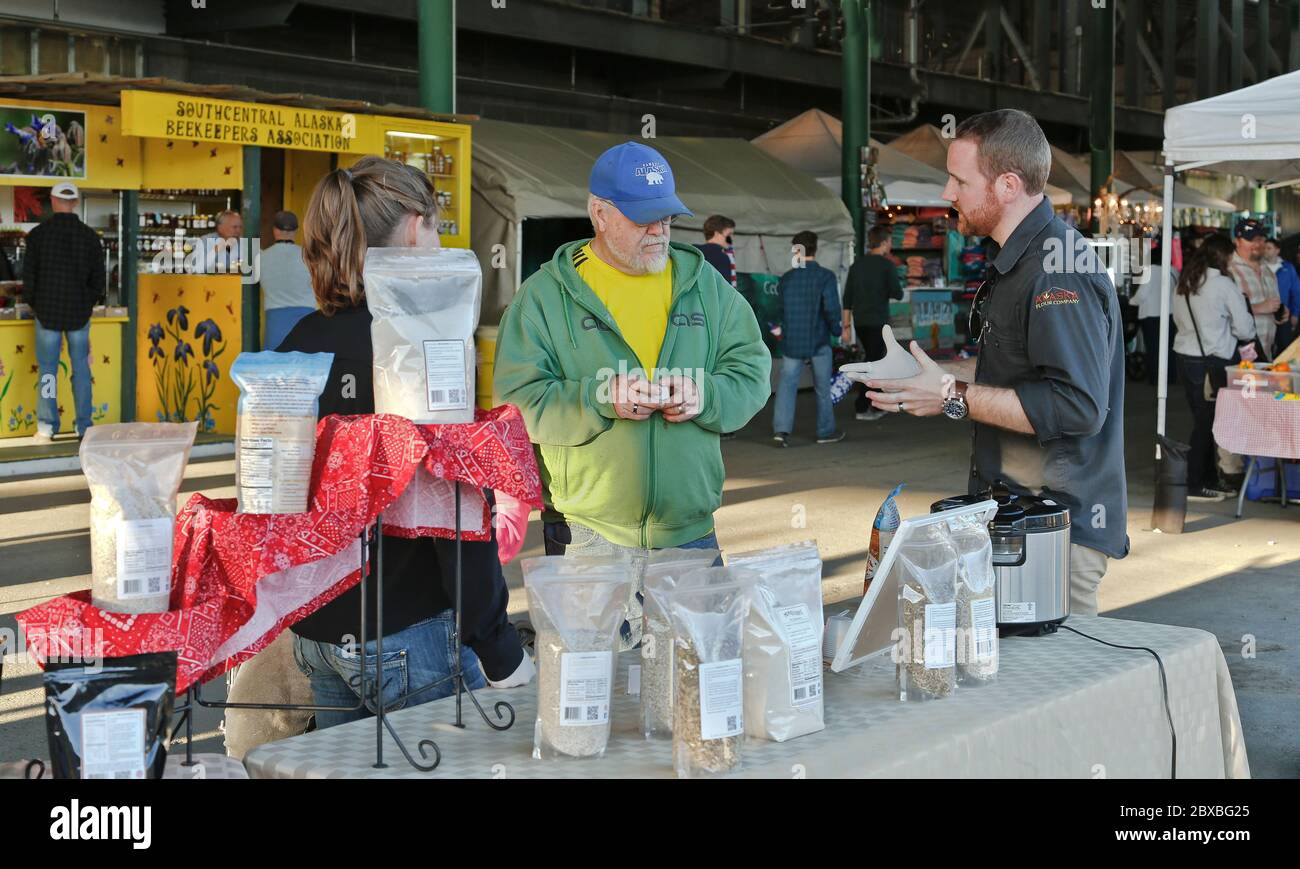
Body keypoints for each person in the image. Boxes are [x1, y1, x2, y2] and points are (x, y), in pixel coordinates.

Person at [277, 157, 532, 730]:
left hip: (318, 633)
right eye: (438, 228)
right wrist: (499, 647)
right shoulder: (417, 350)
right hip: (407, 635)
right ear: (416, 228)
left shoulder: (297, 341)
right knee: (463, 765)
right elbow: (454, 511)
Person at [493, 141, 770, 646]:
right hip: (587, 536)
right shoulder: (544, 297)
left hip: (690, 533)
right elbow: (518, 402)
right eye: (643, 218)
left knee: (695, 678)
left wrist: (704, 395)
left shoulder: (706, 286)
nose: (658, 229)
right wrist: (601, 399)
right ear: (599, 214)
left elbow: (751, 370)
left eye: (667, 217)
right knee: (594, 684)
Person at [855, 109, 1127, 617]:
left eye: (960, 180)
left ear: (1007, 185)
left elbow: (1078, 406)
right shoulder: (1018, 261)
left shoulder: (1054, 271)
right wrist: (926, 376)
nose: (947, 193)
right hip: (1017, 522)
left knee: (1054, 670)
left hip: (1055, 533)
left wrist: (949, 396)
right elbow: (1013, 371)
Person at [1171, 233, 1258, 501]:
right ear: (1223, 256)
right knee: (1208, 423)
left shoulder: (1185, 281)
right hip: (1212, 361)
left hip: (1185, 358)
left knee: (1204, 420)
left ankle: (1209, 480)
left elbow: (1177, 318)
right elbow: (1245, 328)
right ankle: (1195, 483)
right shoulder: (1223, 284)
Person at [22, 181, 103, 442]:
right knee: (81, 371)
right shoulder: (90, 237)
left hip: (47, 313)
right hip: (79, 314)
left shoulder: (38, 235)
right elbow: (98, 282)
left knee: (48, 371)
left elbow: (28, 279)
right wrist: (85, 303)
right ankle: (84, 426)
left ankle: (47, 426)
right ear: (75, 203)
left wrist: (37, 304)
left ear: (53, 201)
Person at [772, 230, 845, 446]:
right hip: (819, 340)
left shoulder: (786, 279)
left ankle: (781, 431)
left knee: (786, 387)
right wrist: (837, 331)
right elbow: (831, 308)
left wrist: (781, 333)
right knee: (823, 389)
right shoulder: (825, 277)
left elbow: (779, 312)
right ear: (816, 248)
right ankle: (825, 432)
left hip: (792, 341)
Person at [842, 223, 904, 420]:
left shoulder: (856, 266)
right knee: (875, 363)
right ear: (884, 243)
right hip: (879, 321)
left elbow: (847, 299)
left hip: (860, 322)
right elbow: (898, 293)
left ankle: (874, 404)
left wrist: (845, 327)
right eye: (889, 241)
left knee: (873, 360)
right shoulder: (887, 265)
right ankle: (863, 406)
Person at [259, 210, 316, 350]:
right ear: (296, 230)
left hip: (275, 322)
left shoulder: (261, 258)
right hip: (307, 319)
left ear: (274, 230)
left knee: (275, 360)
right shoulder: (310, 257)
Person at [1227, 218, 1282, 361]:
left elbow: (1272, 306)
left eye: (1261, 239)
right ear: (1237, 241)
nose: (1258, 244)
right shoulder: (1227, 270)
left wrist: (1281, 312)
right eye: (1251, 239)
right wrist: (1258, 308)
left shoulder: (1268, 270)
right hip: (1238, 356)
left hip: (1267, 352)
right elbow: (1220, 313)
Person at [1264, 236, 1300, 356]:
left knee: (1285, 347)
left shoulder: (1287, 268)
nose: (1265, 251)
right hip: (1264, 313)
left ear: (1277, 250)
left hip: (1284, 313)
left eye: (1269, 248)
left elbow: (1297, 292)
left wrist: (1295, 314)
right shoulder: (1259, 267)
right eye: (1264, 248)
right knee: (1266, 348)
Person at [695, 214, 737, 288]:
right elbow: (725, 289)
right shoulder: (722, 257)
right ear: (716, 234)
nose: (731, 239)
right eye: (729, 234)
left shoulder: (694, 251)